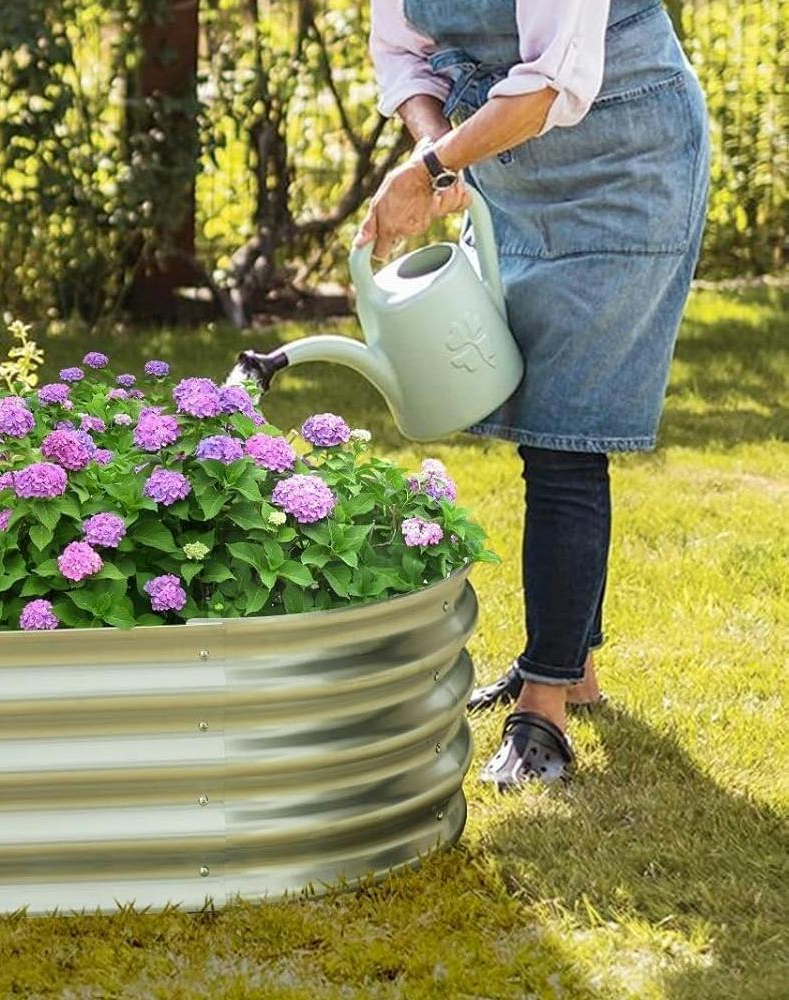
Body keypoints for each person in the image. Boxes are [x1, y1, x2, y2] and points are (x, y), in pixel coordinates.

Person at [360, 1, 709, 789]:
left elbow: (553, 82)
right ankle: (573, 668)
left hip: (629, 168)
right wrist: (434, 152)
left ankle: (543, 709)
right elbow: (403, 57)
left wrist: (433, 170)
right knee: (547, 425)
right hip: (516, 177)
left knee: (564, 436)